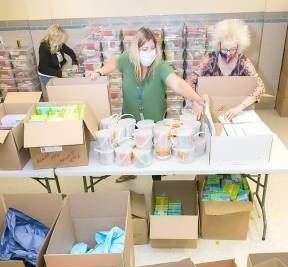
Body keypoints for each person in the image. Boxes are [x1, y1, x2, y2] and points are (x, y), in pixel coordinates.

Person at [90, 27, 205, 182]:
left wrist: (196, 97)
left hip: (154, 122)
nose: (149, 52)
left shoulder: (160, 66)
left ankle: (156, 182)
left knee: (154, 155)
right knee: (129, 147)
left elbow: (177, 83)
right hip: (132, 121)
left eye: (152, 48)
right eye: (145, 49)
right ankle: (129, 172)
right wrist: (99, 71)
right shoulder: (127, 60)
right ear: (136, 50)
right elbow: (114, 62)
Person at [188, 19, 265, 121]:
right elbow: (190, 81)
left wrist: (239, 108)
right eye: (224, 49)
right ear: (218, 45)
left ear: (239, 46)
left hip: (235, 112)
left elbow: (260, 87)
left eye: (232, 49)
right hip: (210, 110)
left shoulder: (244, 62)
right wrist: (196, 101)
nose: (228, 54)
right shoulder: (209, 59)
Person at [38, 24, 78, 91]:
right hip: (46, 75)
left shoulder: (59, 43)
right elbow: (44, 68)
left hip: (56, 72)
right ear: (53, 37)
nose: (61, 41)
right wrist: (60, 74)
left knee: (61, 91)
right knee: (56, 93)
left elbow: (71, 52)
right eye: (60, 39)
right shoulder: (44, 47)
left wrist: (75, 63)